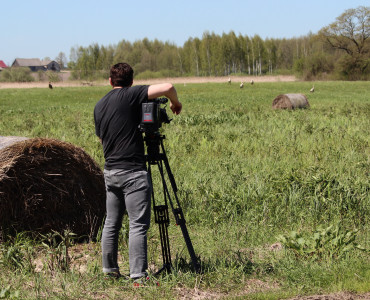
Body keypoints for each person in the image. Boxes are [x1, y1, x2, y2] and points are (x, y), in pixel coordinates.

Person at [94, 63, 182, 283]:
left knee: (112, 222)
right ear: (131, 81)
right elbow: (168, 86)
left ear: (110, 81)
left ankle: (109, 271)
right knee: (137, 224)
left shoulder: (99, 105)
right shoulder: (131, 94)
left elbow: (101, 139)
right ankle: (138, 276)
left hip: (110, 171)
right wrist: (175, 103)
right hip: (132, 171)